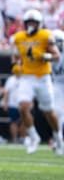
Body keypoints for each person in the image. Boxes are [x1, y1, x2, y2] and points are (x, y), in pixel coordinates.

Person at [11, 9, 63, 155]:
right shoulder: (20, 37)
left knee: (48, 111)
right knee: (22, 107)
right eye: (29, 22)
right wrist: (16, 66)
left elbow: (56, 56)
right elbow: (15, 56)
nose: (31, 25)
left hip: (43, 76)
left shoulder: (45, 35)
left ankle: (58, 137)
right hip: (27, 77)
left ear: (39, 24)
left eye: (34, 22)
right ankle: (33, 137)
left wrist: (43, 56)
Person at [2, 64, 23, 144]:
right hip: (13, 104)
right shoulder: (10, 80)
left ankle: (22, 138)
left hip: (22, 104)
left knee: (24, 122)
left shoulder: (25, 79)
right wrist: (5, 103)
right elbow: (6, 92)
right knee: (13, 122)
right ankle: (15, 139)